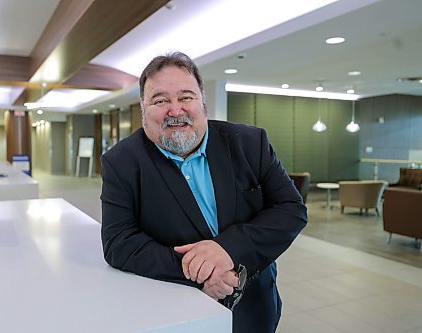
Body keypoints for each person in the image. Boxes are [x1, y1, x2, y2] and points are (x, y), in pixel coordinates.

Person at [100, 52, 307, 333]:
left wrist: (228, 249)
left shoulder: (250, 143)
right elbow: (119, 242)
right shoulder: (121, 161)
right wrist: (200, 271)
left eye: (186, 97)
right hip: (177, 310)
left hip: (255, 307)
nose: (175, 110)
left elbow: (291, 208)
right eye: (160, 100)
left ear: (203, 103)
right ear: (143, 110)